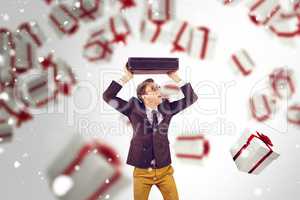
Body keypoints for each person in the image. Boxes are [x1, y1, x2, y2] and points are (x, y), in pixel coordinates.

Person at [102, 66, 198, 200]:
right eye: (153, 89)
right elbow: (108, 96)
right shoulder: (132, 108)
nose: (159, 90)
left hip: (165, 171)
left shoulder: (168, 108)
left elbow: (191, 98)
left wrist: (175, 77)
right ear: (143, 96)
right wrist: (126, 78)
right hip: (142, 172)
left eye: (158, 87)